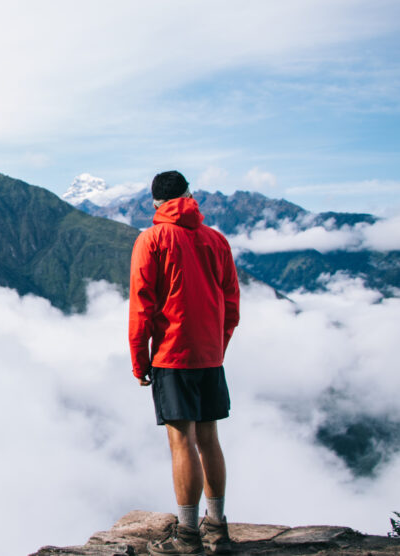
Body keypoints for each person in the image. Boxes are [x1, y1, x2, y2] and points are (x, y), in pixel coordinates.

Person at [128, 171, 240, 555]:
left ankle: (189, 535)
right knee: (210, 439)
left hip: (172, 355)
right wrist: (217, 346)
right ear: (190, 196)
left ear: (155, 203)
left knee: (182, 442)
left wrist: (140, 360)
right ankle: (218, 528)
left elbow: (142, 306)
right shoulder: (217, 240)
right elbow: (231, 305)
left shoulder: (151, 240)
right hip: (210, 355)